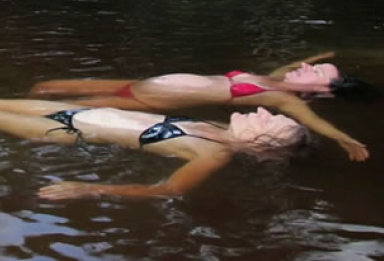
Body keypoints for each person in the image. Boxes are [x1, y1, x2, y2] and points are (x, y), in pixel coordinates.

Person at [0, 87, 311, 200]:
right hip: (76, 112)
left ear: (263, 147)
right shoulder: (215, 127)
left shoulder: (214, 153)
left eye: (268, 120)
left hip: (66, 129)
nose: (262, 111)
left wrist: (89, 189)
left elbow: (166, 192)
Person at [28, 51, 371, 161]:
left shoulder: (279, 97)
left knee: (61, 106)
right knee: (45, 86)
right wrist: (319, 56)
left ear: (323, 89)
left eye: (316, 72)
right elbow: (295, 64)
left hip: (150, 98)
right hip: (139, 84)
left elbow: (310, 119)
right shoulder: (275, 78)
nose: (306, 70)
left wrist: (344, 139)